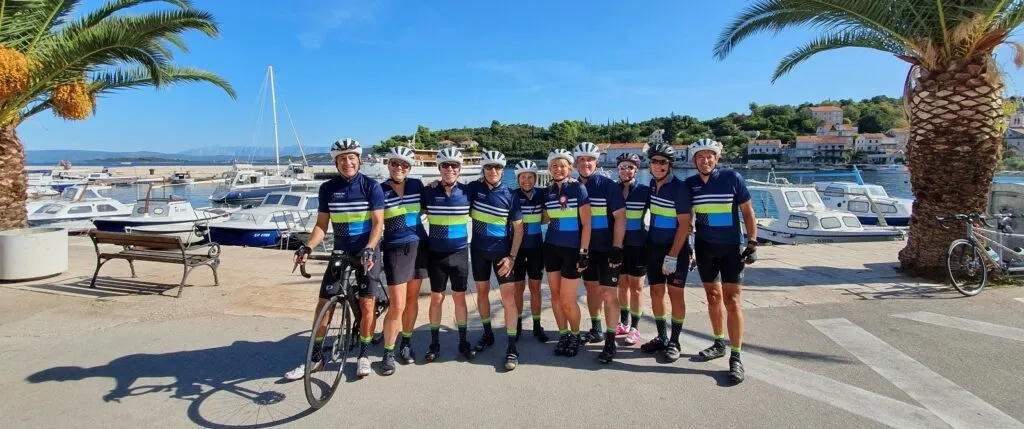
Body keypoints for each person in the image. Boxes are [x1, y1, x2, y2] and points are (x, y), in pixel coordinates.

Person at [286, 138, 385, 380]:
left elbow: (378, 223)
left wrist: (370, 247)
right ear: (336, 163)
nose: (347, 162)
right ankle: (316, 356)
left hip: (366, 253)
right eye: (342, 159)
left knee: (366, 304)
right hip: (340, 252)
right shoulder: (328, 188)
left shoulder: (371, 186)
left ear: (359, 160)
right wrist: (307, 247)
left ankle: (363, 353)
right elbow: (321, 225)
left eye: (351, 157)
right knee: (323, 305)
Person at [685, 138, 758, 385]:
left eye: (709, 156)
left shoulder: (732, 178)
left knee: (733, 301)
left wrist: (752, 243)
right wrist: (688, 246)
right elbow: (687, 219)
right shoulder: (690, 184)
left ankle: (736, 356)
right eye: (700, 157)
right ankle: (718, 342)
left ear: (716, 158)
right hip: (705, 249)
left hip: (730, 249)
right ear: (694, 160)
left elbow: (748, 212)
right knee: (713, 298)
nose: (705, 160)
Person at [467, 150, 524, 370]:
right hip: (479, 252)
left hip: (503, 255)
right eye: (489, 167)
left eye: (498, 167)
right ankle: (488, 334)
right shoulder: (473, 188)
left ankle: (511, 346)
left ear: (503, 170)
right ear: (483, 169)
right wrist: (435, 183)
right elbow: (451, 188)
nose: (493, 171)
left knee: (508, 299)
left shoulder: (510, 195)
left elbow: (518, 230)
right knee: (481, 294)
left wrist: (512, 257)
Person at [639, 143, 694, 363]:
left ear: (670, 165)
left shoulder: (679, 188)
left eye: (663, 162)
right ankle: (661, 336)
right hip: (653, 248)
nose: (658, 166)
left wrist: (673, 255)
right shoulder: (652, 185)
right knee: (656, 293)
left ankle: (675, 341)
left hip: (675, 250)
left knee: (676, 295)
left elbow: (684, 224)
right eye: (654, 161)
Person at [421, 147, 477, 362]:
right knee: (436, 298)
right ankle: (434, 344)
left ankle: (463, 341)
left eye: (454, 165)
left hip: (460, 253)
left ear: (460, 168)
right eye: (445, 165)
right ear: (439, 168)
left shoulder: (468, 191)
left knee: (460, 298)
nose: (450, 169)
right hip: (436, 254)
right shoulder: (429, 191)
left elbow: (491, 191)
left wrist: (573, 182)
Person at [572, 142, 626, 364]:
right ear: (575, 163)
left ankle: (610, 341)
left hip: (606, 249)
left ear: (597, 162)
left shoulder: (607, 185)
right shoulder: (572, 186)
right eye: (581, 159)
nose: (586, 163)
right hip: (585, 250)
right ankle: (596, 329)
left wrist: (617, 248)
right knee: (592, 289)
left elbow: (621, 217)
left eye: (590, 159)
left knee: (608, 294)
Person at [378, 146, 430, 373]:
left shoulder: (417, 186)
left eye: (404, 165)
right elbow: (374, 222)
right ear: (388, 165)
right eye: (395, 164)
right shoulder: (379, 190)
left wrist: (438, 185)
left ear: (410, 168)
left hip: (420, 247)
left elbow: (433, 201)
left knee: (412, 300)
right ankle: (388, 350)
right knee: (397, 305)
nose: (399, 168)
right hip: (395, 250)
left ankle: (406, 343)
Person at [541, 148, 591, 358]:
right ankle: (563, 334)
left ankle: (575, 335)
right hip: (551, 247)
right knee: (554, 296)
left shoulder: (578, 189)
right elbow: (544, 218)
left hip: (572, 251)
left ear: (569, 168)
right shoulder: (547, 191)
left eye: (562, 165)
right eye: (554, 166)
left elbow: (587, 224)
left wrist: (584, 252)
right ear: (549, 169)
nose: (558, 169)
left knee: (567, 299)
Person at [511, 160, 551, 343]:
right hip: (517, 250)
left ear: (535, 178)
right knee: (518, 289)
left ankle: (536, 325)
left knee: (535, 288)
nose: (526, 181)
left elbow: (562, 191)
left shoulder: (542, 194)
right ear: (517, 179)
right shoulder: (510, 195)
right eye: (523, 177)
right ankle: (518, 324)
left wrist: (573, 181)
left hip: (536, 248)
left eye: (530, 177)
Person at [613, 152, 650, 346]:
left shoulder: (645, 190)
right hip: (618, 245)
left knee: (636, 288)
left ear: (636, 170)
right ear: (617, 169)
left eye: (630, 167)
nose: (626, 170)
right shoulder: (612, 190)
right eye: (622, 167)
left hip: (638, 244)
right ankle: (624, 322)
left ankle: (635, 327)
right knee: (622, 285)